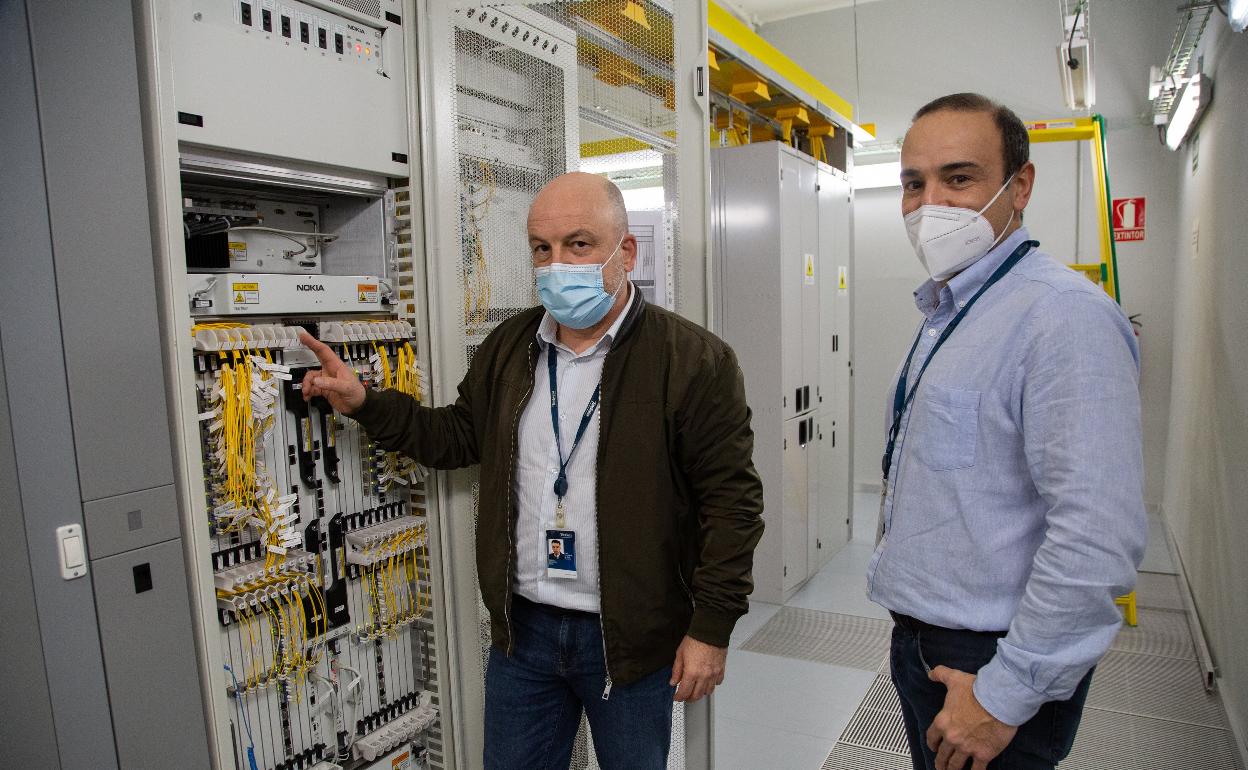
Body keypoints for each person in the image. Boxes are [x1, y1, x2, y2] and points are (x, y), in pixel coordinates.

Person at [299, 172, 764, 769]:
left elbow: (732, 505)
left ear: (626, 251)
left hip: (629, 638)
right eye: (541, 249)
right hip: (525, 635)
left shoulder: (693, 361)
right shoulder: (511, 347)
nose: (556, 264)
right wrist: (366, 402)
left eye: (578, 244)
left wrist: (711, 627)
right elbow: (455, 436)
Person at [869, 93, 1147, 770]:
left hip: (993, 662)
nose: (929, 203)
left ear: (1018, 187)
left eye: (958, 178)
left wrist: (1004, 696)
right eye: (913, 183)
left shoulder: (1062, 318)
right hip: (928, 646)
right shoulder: (954, 307)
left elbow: (1095, 533)